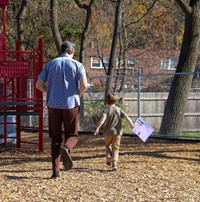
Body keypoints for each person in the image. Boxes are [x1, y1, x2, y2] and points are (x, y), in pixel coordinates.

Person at [36, 41, 87, 179]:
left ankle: (56, 172)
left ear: (62, 50)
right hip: (71, 104)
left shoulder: (50, 64)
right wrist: (78, 94)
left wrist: (50, 91)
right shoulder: (77, 65)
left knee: (55, 138)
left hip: (53, 105)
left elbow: (38, 84)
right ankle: (66, 148)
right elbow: (84, 85)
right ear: (72, 51)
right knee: (72, 135)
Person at [94, 93, 134, 171]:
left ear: (106, 101)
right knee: (115, 148)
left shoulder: (106, 110)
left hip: (107, 132)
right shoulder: (119, 110)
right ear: (115, 101)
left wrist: (97, 128)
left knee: (107, 145)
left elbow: (103, 119)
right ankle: (114, 164)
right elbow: (126, 117)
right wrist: (132, 125)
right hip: (117, 133)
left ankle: (108, 155)